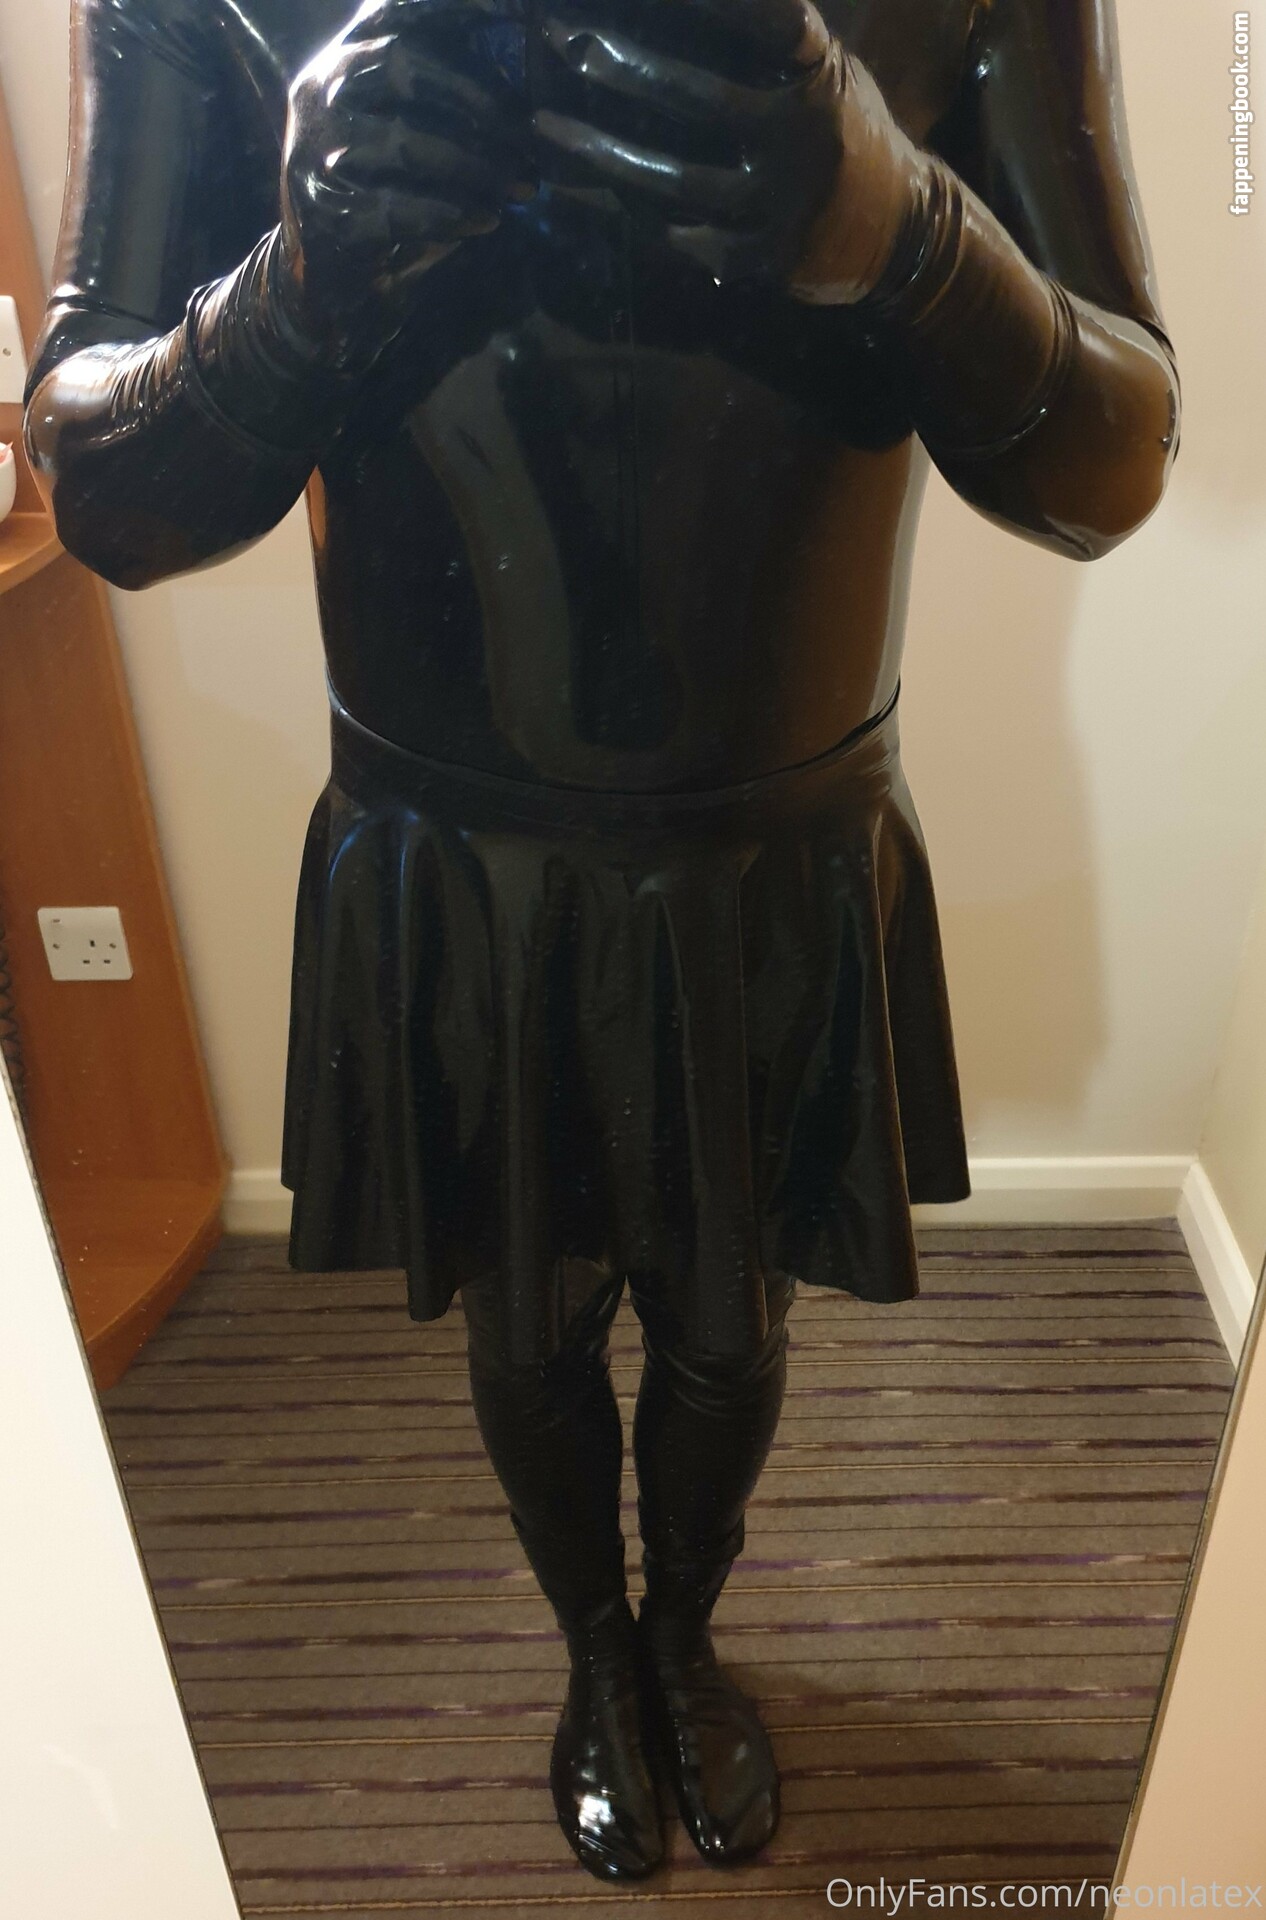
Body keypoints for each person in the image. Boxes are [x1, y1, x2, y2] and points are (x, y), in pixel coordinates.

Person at [24, 0, 1179, 1882]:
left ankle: (683, 1637)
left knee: (730, 1316)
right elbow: (103, 487)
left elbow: (1111, 461)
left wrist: (906, 232)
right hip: (456, 843)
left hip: (771, 830)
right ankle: (594, 1649)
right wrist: (293, 290)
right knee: (527, 1306)